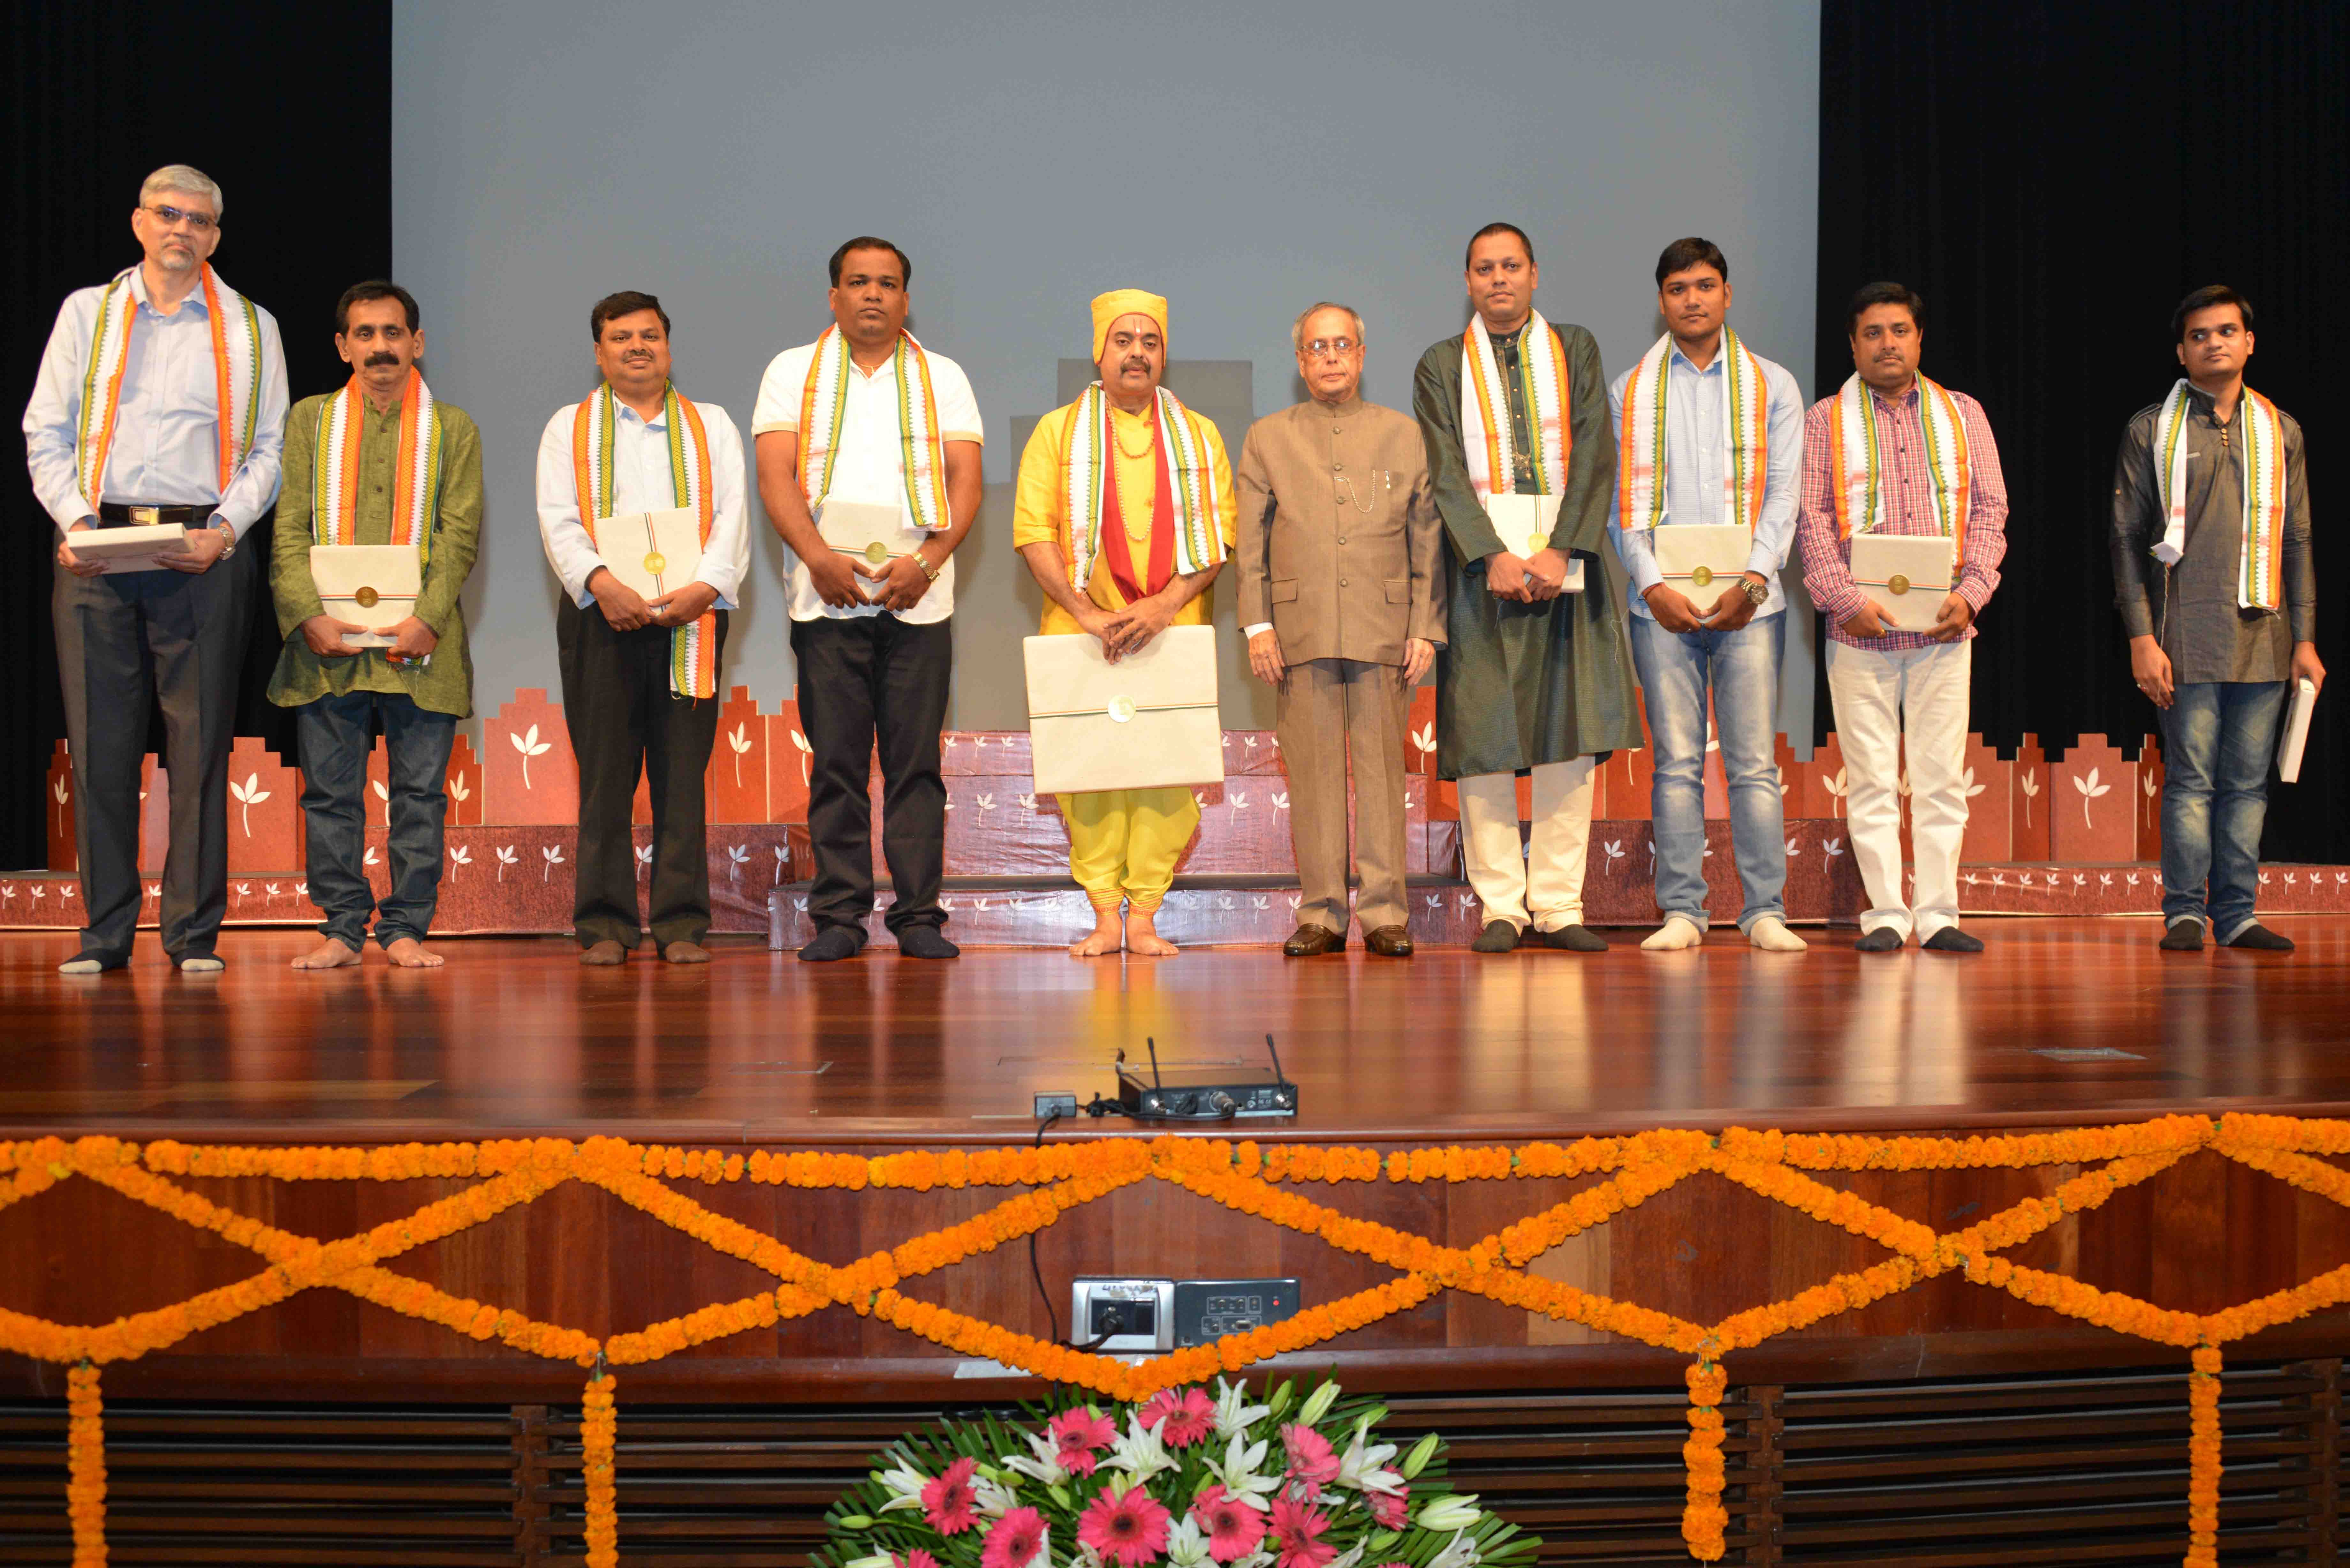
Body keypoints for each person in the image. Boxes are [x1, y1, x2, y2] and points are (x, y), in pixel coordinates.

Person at [24, 163, 288, 974]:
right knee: (100, 744)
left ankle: (191, 935)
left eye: (201, 221)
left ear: (216, 235)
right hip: (96, 541)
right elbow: (46, 430)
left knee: (200, 747)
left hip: (199, 547)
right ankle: (104, 934)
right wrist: (72, 519)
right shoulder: (88, 313)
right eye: (169, 214)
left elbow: (270, 449)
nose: (184, 230)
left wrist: (226, 529)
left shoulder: (251, 325)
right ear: (139, 223)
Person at [752, 237, 982, 962]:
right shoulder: (793, 371)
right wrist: (818, 559)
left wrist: (929, 558)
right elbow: (775, 475)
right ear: (834, 296)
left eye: (887, 284)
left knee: (916, 766)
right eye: (858, 282)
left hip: (920, 600)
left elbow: (965, 481)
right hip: (825, 601)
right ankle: (840, 917)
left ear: (906, 299)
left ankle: (918, 916)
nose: (873, 295)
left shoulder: (941, 376)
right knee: (838, 764)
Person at [1412, 223, 1640, 954]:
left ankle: (1557, 902)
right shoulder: (1440, 364)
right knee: (1483, 735)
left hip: (1565, 564)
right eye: (1484, 269)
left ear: (1535, 274)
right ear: (1468, 281)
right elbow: (1443, 469)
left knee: (1565, 736)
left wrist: (1558, 548)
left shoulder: (1574, 348)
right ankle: (1501, 907)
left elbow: (1596, 450)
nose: (1498, 279)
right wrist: (1489, 555)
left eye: (1511, 266)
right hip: (1482, 574)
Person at [1012, 290, 1235, 957]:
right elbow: (1032, 531)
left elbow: (1219, 537)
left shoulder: (1199, 436)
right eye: (1123, 339)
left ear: (1163, 354)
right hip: (1081, 633)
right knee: (1092, 778)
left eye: (1150, 340)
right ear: (1098, 351)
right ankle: (1105, 913)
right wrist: (1087, 612)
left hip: (1173, 628)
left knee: (1167, 776)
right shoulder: (1056, 432)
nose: (1137, 351)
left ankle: (1145, 913)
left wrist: (1164, 604)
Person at [269, 281, 481, 969]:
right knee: (330, 792)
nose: (380, 347)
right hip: (326, 646)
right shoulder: (309, 422)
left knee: (419, 792)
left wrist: (427, 617)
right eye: (365, 334)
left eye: (393, 333)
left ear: (416, 343)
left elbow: (458, 536)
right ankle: (341, 926)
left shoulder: (454, 428)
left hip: (422, 645)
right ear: (342, 347)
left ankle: (407, 927)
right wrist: (305, 613)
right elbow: (288, 529)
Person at [1794, 282, 2009, 952]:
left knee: (1941, 776)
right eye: (1871, 333)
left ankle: (1939, 912)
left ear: (1919, 339)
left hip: (1945, 628)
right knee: (1870, 777)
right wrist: (1845, 600)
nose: (1886, 343)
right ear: (1852, 344)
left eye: (1898, 330)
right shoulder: (1822, 419)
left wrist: (1971, 591)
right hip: (1857, 631)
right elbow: (1811, 521)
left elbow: (1989, 512)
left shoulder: (1963, 413)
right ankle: (1885, 914)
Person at [535, 291, 748, 965]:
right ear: (598, 353)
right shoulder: (566, 428)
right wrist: (604, 585)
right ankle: (603, 923)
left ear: (668, 347)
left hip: (692, 617)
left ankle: (682, 923)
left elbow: (733, 518)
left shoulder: (710, 425)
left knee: (681, 774)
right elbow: (559, 519)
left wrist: (703, 588)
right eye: (620, 337)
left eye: (649, 335)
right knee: (606, 775)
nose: (636, 347)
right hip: (603, 616)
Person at [1606, 238, 1807, 953]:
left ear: (1726, 294)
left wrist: (1754, 580)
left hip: (1751, 604)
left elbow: (1785, 491)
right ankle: (1683, 910)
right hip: (1659, 606)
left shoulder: (1772, 385)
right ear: (1660, 300)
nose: (1691, 299)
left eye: (1704, 285)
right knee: (1676, 764)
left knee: (1752, 762)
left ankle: (1763, 910)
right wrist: (1649, 581)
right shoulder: (1629, 388)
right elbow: (1621, 507)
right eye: (1676, 288)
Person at [2110, 285, 2321, 953]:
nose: (2214, 343)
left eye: (2226, 331)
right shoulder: (2152, 427)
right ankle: (2182, 911)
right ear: (2180, 351)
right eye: (2199, 335)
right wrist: (2142, 637)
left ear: (2248, 342)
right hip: (2182, 633)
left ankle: (2235, 912)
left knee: (2247, 785)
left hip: (2265, 636)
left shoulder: (2279, 429)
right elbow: (2123, 538)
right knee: (2191, 781)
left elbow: (2297, 540)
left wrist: (2306, 640)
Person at [1235, 302, 1441, 958]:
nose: (1330, 357)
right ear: (1299, 361)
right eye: (1317, 347)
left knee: (1381, 773)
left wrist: (1424, 627)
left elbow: (1425, 536)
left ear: (1360, 355)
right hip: (1296, 631)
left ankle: (1384, 912)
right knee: (1314, 775)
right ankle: (1321, 912)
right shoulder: (1268, 435)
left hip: (1385, 628)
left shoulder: (1401, 434)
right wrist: (1256, 625)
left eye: (1342, 345)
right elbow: (1248, 544)